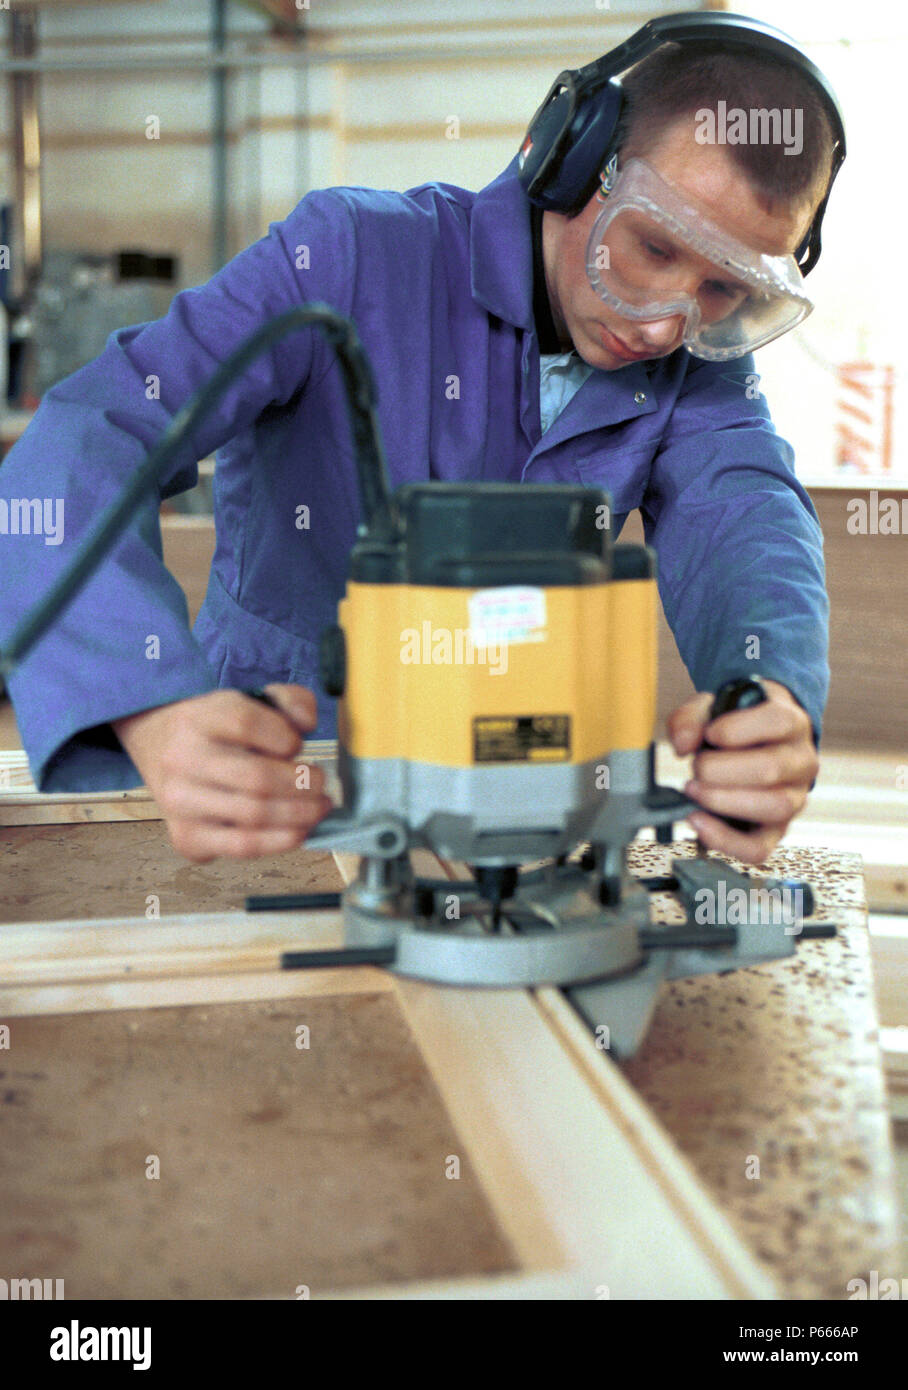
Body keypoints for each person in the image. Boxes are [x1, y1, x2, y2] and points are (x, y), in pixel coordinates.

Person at [0, 25, 842, 868]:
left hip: (519, 803)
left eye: (725, 287)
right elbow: (92, 431)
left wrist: (766, 690)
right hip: (275, 790)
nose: (666, 321)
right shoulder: (348, 259)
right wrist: (148, 705)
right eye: (652, 246)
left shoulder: (693, 369)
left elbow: (745, 512)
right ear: (568, 159)